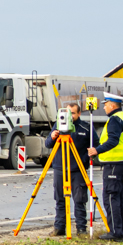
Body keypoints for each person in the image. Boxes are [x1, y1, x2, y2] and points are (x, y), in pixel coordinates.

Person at [44, 96, 91, 236]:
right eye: (68, 113)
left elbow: (95, 146)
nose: (70, 116)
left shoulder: (85, 128)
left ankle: (81, 229)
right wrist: (53, 137)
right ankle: (59, 227)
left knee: (79, 200)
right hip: (60, 168)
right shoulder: (58, 125)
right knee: (60, 200)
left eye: (73, 113)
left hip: (78, 169)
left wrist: (85, 160)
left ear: (79, 114)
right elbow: (48, 144)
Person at [88, 92, 123, 241]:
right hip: (121, 162)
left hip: (114, 163)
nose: (104, 107)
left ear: (112, 105)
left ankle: (116, 233)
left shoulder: (114, 120)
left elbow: (113, 140)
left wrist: (97, 150)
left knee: (111, 198)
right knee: (118, 199)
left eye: (106, 105)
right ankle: (121, 232)